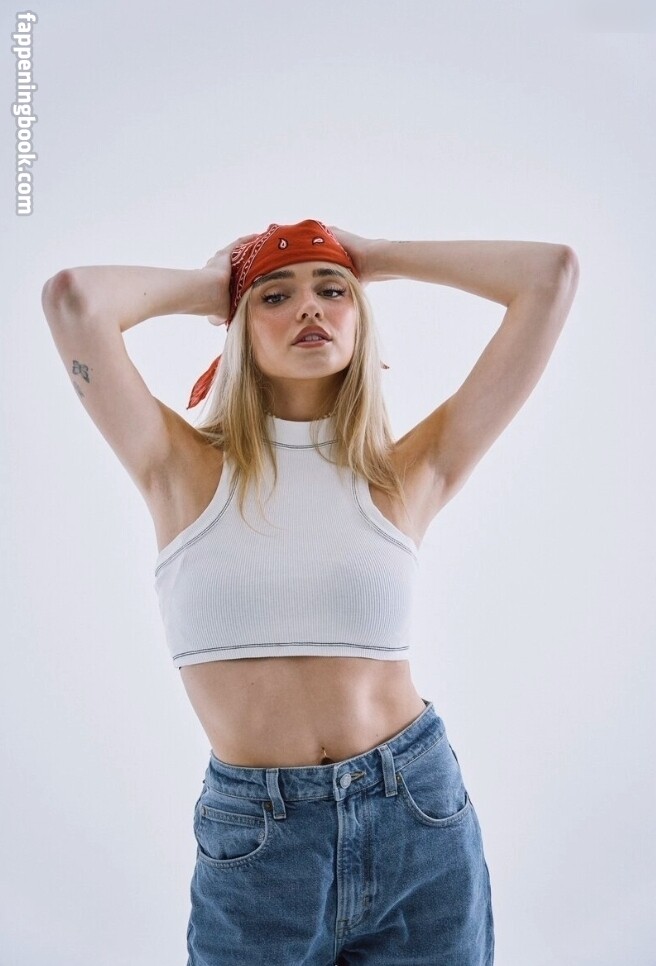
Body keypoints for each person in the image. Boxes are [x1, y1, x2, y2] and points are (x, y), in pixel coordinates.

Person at [41, 218, 579, 965]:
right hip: (259, 843)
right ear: (238, 327)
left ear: (360, 316)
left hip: (417, 816)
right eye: (275, 296)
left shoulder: (403, 474)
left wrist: (373, 256)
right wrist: (220, 284)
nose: (309, 307)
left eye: (333, 291)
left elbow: (550, 276)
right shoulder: (177, 467)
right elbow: (74, 299)